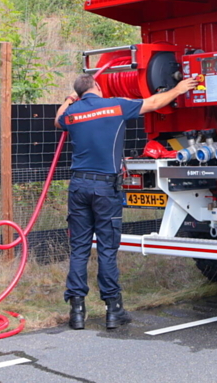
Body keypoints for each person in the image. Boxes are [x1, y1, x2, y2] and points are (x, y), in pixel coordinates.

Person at [54, 71, 198, 330]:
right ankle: (113, 310)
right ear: (97, 86)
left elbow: (57, 120)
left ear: (79, 93)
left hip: (79, 186)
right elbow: (154, 103)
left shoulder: (72, 113)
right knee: (107, 249)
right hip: (105, 188)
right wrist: (178, 89)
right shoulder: (116, 106)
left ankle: (77, 312)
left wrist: (69, 99)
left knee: (79, 248)